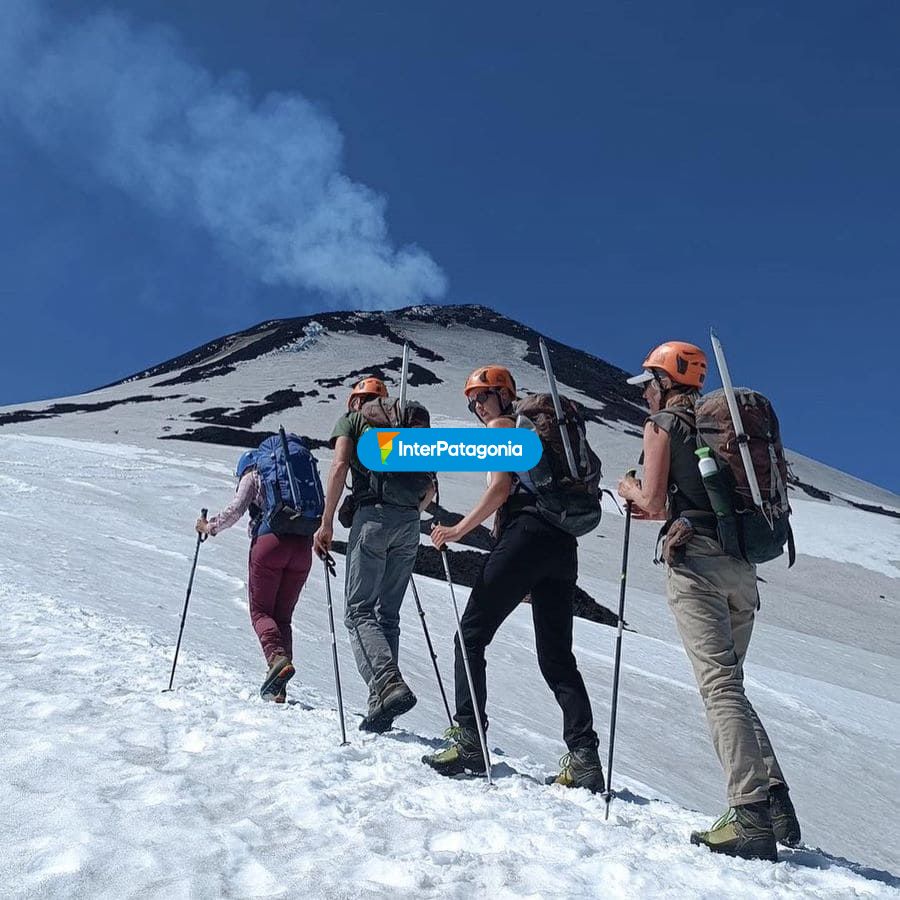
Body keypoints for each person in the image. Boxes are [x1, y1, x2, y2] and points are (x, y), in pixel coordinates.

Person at [617, 341, 800, 861]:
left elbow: (651, 503)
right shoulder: (721, 427)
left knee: (719, 686)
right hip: (743, 567)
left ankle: (749, 816)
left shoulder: (663, 426)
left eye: (648, 382)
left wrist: (627, 486)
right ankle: (776, 803)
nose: (646, 392)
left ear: (664, 381)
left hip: (695, 563)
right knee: (732, 685)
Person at [422, 365, 604, 792]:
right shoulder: (532, 432)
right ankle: (584, 756)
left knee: (469, 636)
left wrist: (456, 530)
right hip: (561, 544)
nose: (477, 408)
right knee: (557, 657)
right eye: (472, 402)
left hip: (526, 533)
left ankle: (468, 737)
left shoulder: (503, 428)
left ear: (503, 395)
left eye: (481, 397)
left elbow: (501, 490)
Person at [313, 377, 435, 733]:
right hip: (410, 522)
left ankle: (386, 683)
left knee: (357, 610)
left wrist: (326, 523)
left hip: (374, 520)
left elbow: (338, 467)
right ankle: (380, 703)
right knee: (388, 614)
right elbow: (429, 488)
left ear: (356, 401)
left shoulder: (353, 420)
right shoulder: (408, 423)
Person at [196, 448, 312, 703]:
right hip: (303, 548)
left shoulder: (255, 471)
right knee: (282, 617)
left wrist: (209, 527)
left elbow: (236, 510)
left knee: (261, 613)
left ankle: (276, 660)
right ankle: (279, 686)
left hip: (270, 544)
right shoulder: (298, 472)